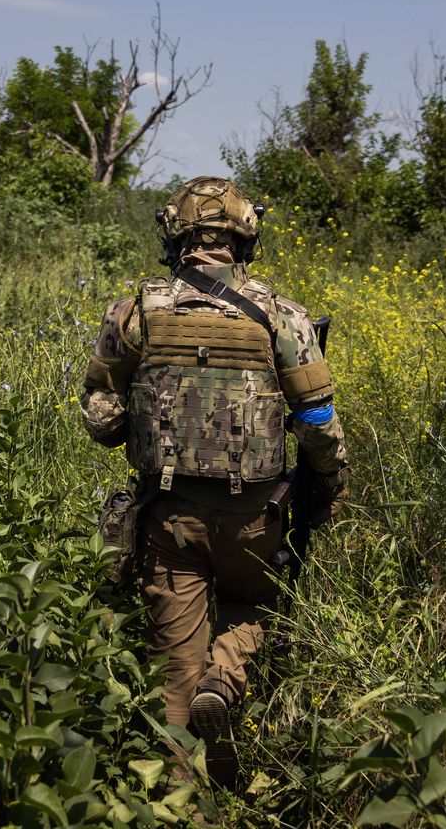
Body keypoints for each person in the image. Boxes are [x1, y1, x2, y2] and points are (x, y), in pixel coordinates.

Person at [79, 176, 349, 786]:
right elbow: (315, 421)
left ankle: (179, 795)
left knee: (173, 668)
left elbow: (99, 413)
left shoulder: (134, 312)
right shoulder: (284, 315)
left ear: (174, 233)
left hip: (169, 517)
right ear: (246, 234)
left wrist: (144, 424)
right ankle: (224, 685)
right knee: (254, 602)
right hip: (257, 514)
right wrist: (329, 484)